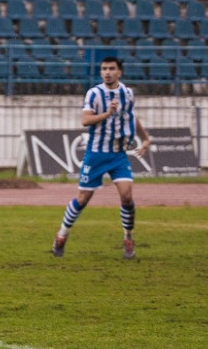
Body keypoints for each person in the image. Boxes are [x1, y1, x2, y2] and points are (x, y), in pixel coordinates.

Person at [53, 57, 152, 260]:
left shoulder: (127, 93)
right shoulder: (94, 93)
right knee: (83, 199)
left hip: (118, 155)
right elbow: (85, 120)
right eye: (104, 69)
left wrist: (146, 139)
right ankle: (62, 235)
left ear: (119, 72)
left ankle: (128, 238)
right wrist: (107, 113)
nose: (107, 72)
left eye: (111, 69)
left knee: (127, 196)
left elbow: (131, 117)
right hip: (96, 154)